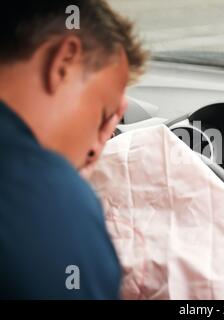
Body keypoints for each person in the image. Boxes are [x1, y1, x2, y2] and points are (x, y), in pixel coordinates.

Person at [0, 0, 147, 299]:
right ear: (64, 60)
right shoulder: (42, 194)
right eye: (105, 115)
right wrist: (66, 193)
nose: (96, 150)